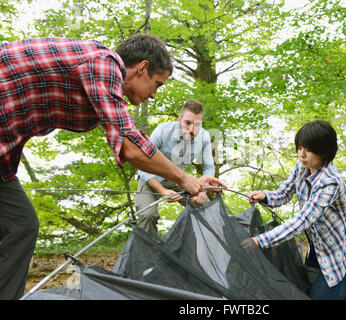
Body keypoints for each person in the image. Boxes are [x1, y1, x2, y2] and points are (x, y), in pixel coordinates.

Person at [0, 34, 225, 299]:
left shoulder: (102, 81)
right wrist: (184, 179)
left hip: (4, 160)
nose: (153, 95)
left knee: (21, 225)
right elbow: (131, 147)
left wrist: (195, 180)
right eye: (156, 84)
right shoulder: (104, 63)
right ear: (142, 68)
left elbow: (128, 134)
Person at [244, 120, 346, 300]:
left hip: (338, 251)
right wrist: (265, 196)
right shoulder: (301, 167)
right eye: (299, 148)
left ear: (325, 150)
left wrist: (261, 241)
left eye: (309, 149)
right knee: (305, 287)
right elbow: (283, 193)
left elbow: (303, 220)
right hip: (318, 244)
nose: (302, 154)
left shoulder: (330, 182)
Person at [135, 99, 215, 235]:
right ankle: (150, 254)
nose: (191, 129)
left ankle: (200, 252)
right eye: (187, 123)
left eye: (197, 124)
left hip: (178, 179)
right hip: (150, 178)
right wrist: (161, 190)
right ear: (179, 120)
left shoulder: (204, 137)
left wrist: (203, 189)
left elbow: (209, 168)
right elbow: (143, 164)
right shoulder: (162, 131)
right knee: (148, 215)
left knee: (206, 207)